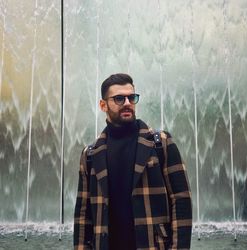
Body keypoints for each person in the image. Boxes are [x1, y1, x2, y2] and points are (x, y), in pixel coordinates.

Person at [74, 73, 192, 250]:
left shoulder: (161, 144)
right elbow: (83, 216)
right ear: (102, 105)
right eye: (119, 98)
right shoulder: (90, 155)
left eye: (132, 97)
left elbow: (181, 200)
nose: (128, 103)